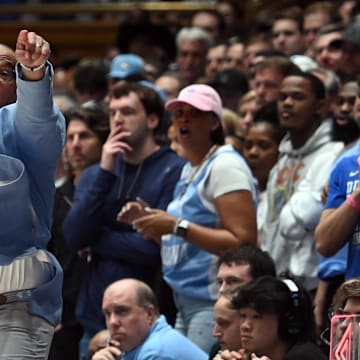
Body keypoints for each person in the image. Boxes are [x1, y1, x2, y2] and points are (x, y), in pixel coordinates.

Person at [118, 84, 258, 353]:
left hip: (213, 300)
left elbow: (244, 242)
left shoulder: (225, 165)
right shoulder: (191, 169)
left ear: (214, 121)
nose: (183, 119)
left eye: (194, 113)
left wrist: (174, 225)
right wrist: (150, 222)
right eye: (179, 112)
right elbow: (188, 240)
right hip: (184, 299)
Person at [63, 82, 185, 359]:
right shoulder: (98, 173)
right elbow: (74, 236)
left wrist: (97, 239)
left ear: (153, 119)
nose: (118, 119)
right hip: (95, 321)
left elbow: (156, 249)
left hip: (150, 321)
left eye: (127, 111)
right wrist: (106, 169)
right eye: (113, 113)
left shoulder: (174, 170)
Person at [0, 30, 65, 358]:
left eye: (4, 71)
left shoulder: (22, 127)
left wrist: (34, 73)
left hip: (15, 308)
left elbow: (37, 117)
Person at [261, 72, 343, 291]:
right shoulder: (281, 159)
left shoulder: (334, 154)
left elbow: (312, 217)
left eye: (297, 97)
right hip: (278, 279)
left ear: (320, 105)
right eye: (282, 97)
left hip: (314, 283)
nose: (287, 103)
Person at [48, 104, 110, 360]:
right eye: (70, 137)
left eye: (84, 136)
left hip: (102, 310)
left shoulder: (111, 192)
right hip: (62, 316)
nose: (75, 145)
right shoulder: (55, 198)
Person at [91, 278, 207, 360]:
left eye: (122, 311)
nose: (112, 322)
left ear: (149, 314)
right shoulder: (139, 344)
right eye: (107, 314)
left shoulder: (156, 352)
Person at [215, 276, 326, 360]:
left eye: (256, 317)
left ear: (288, 320)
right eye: (243, 316)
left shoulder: (305, 356)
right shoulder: (248, 355)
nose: (245, 326)